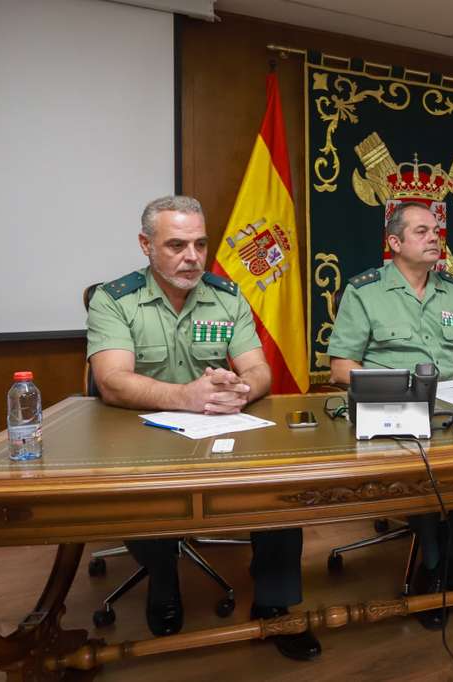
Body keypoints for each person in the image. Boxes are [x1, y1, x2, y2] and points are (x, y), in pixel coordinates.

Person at [86, 195, 320, 661]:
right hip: (141, 432)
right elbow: (112, 382)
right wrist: (185, 396)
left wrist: (241, 389)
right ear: (146, 245)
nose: (192, 257)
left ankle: (274, 605)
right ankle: (163, 580)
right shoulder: (114, 299)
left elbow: (259, 370)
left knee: (279, 482)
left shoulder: (227, 295)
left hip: (216, 427)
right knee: (141, 489)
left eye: (199, 244)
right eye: (176, 245)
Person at [327, 201, 453, 630]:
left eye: (436, 230)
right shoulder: (364, 291)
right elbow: (341, 368)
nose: (434, 237)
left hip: (451, 407)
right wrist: (397, 393)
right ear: (395, 242)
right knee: (422, 464)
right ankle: (433, 568)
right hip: (393, 409)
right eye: (422, 231)